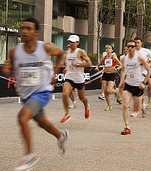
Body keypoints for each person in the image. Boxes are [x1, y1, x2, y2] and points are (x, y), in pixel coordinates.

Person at [2, 18, 68, 171]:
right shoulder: (14, 51)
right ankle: (61, 136)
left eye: (28, 28)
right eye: (23, 28)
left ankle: (29, 156)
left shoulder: (44, 47)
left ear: (36, 32)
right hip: (26, 94)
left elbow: (60, 54)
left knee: (22, 117)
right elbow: (11, 68)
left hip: (42, 91)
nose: (24, 31)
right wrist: (8, 70)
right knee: (41, 122)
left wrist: (55, 73)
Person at [119, 40, 151, 135]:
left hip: (138, 86)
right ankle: (127, 126)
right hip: (128, 85)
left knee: (135, 110)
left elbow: (149, 70)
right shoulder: (124, 59)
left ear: (135, 48)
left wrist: (144, 82)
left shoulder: (140, 58)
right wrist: (121, 82)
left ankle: (141, 107)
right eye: (128, 46)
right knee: (125, 105)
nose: (130, 48)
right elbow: (123, 70)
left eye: (132, 46)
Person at [60, 35, 92, 123]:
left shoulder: (81, 52)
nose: (71, 44)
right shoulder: (67, 53)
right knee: (65, 94)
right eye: (70, 41)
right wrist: (65, 68)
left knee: (82, 98)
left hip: (79, 79)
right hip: (69, 77)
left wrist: (78, 65)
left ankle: (86, 106)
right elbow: (68, 64)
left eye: (73, 42)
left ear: (77, 43)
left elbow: (89, 63)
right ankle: (67, 114)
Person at [95, 45, 122, 111]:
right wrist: (97, 67)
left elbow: (121, 65)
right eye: (106, 48)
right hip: (105, 74)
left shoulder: (114, 57)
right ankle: (109, 105)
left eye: (109, 48)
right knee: (105, 91)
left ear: (112, 50)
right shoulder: (104, 57)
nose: (107, 49)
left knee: (109, 90)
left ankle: (117, 91)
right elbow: (98, 64)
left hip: (112, 75)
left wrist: (117, 68)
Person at [134, 37, 151, 117]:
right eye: (135, 42)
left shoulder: (146, 51)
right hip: (135, 73)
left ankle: (142, 106)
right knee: (137, 91)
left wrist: (149, 64)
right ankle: (143, 105)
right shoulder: (133, 51)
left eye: (138, 42)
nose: (136, 44)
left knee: (139, 88)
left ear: (141, 43)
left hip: (144, 72)